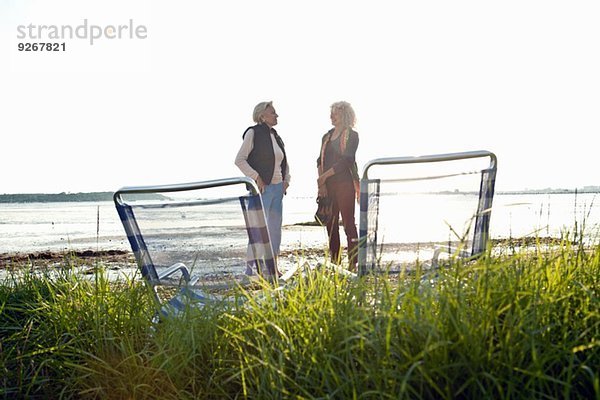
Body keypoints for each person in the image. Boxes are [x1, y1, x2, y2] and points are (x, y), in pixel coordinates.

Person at [235, 101, 290, 272]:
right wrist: (256, 178)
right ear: (262, 116)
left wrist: (286, 180)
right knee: (257, 231)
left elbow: (284, 163)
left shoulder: (276, 135)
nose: (276, 115)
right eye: (273, 112)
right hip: (261, 191)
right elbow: (240, 160)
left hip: (278, 189)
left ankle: (272, 268)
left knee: (274, 231)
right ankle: (251, 271)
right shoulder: (253, 133)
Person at [317, 101, 360, 270]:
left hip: (345, 184)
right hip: (328, 186)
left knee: (349, 224)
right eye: (331, 113)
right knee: (331, 224)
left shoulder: (352, 135)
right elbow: (318, 160)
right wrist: (321, 183)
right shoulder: (326, 136)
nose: (331, 116)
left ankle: (353, 263)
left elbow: (347, 160)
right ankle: (335, 263)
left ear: (344, 114)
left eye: (335, 113)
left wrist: (325, 176)